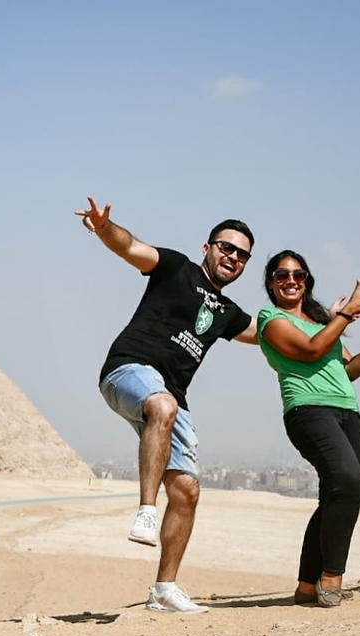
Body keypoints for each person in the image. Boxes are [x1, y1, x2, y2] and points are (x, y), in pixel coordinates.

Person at [76, 196, 259, 614]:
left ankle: (164, 589)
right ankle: (144, 511)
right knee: (161, 404)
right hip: (128, 370)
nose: (232, 257)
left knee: (187, 491)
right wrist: (105, 227)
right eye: (226, 247)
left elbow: (278, 337)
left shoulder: (229, 313)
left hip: (173, 395)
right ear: (207, 248)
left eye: (242, 255)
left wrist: (333, 330)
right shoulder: (176, 267)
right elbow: (130, 246)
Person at [257, 250, 360, 607]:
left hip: (347, 411)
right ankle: (332, 576)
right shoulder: (271, 318)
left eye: (299, 274)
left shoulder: (319, 322)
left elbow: (349, 369)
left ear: (307, 279)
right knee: (348, 481)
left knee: (332, 496)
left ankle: (307, 586)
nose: (291, 280)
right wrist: (344, 315)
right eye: (282, 274)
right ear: (270, 282)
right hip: (308, 410)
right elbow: (311, 351)